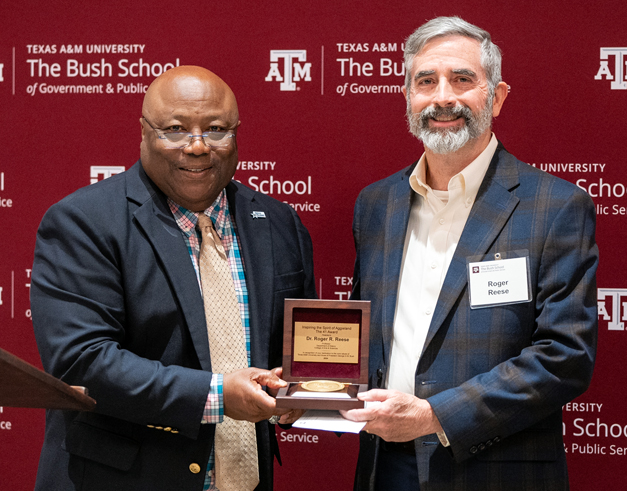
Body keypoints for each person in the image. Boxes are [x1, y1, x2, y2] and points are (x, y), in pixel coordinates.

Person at [341, 17, 598, 491]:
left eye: (462, 80)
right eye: (426, 81)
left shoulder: (555, 207)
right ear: (407, 96)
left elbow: (565, 356)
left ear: (496, 97)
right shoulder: (376, 205)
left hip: (496, 469)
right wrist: (312, 389)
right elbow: (364, 338)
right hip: (385, 467)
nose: (443, 98)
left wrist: (434, 416)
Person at [30, 66, 315, 491]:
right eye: (176, 129)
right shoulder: (83, 222)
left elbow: (300, 351)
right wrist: (218, 395)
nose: (198, 146)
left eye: (216, 128)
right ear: (144, 132)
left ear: (236, 133)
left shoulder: (278, 223)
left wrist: (301, 389)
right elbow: (83, 361)